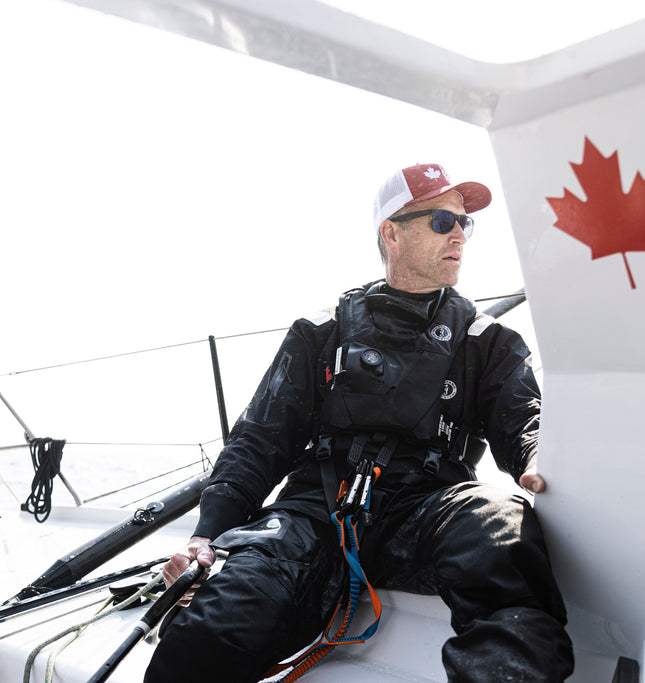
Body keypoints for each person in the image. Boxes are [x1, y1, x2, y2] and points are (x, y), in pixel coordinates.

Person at [145, 163, 574, 682]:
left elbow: (525, 420)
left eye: (466, 223)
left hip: (428, 510)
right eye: (442, 220)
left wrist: (536, 456)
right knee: (212, 626)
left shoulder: (489, 342)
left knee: (498, 524)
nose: (460, 233)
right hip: (315, 513)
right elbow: (258, 440)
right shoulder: (320, 333)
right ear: (391, 233)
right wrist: (207, 535)